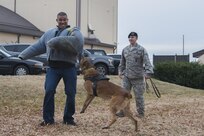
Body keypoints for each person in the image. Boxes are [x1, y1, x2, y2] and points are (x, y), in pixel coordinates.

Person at [19, 12, 84, 126]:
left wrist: (57, 42)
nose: (62, 22)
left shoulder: (73, 31)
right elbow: (38, 46)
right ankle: (48, 119)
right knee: (49, 91)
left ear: (67, 20)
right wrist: (23, 55)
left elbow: (78, 43)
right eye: (60, 20)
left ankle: (68, 118)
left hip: (69, 67)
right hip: (53, 68)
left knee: (70, 93)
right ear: (57, 20)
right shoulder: (49, 33)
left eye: (64, 20)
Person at [117, 32, 153, 118]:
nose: (130, 39)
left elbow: (147, 61)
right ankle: (123, 112)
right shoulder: (125, 49)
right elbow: (122, 62)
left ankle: (140, 113)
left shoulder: (141, 49)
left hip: (138, 77)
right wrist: (120, 72)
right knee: (124, 95)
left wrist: (148, 72)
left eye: (132, 37)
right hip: (127, 76)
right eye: (129, 37)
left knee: (139, 96)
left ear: (136, 38)